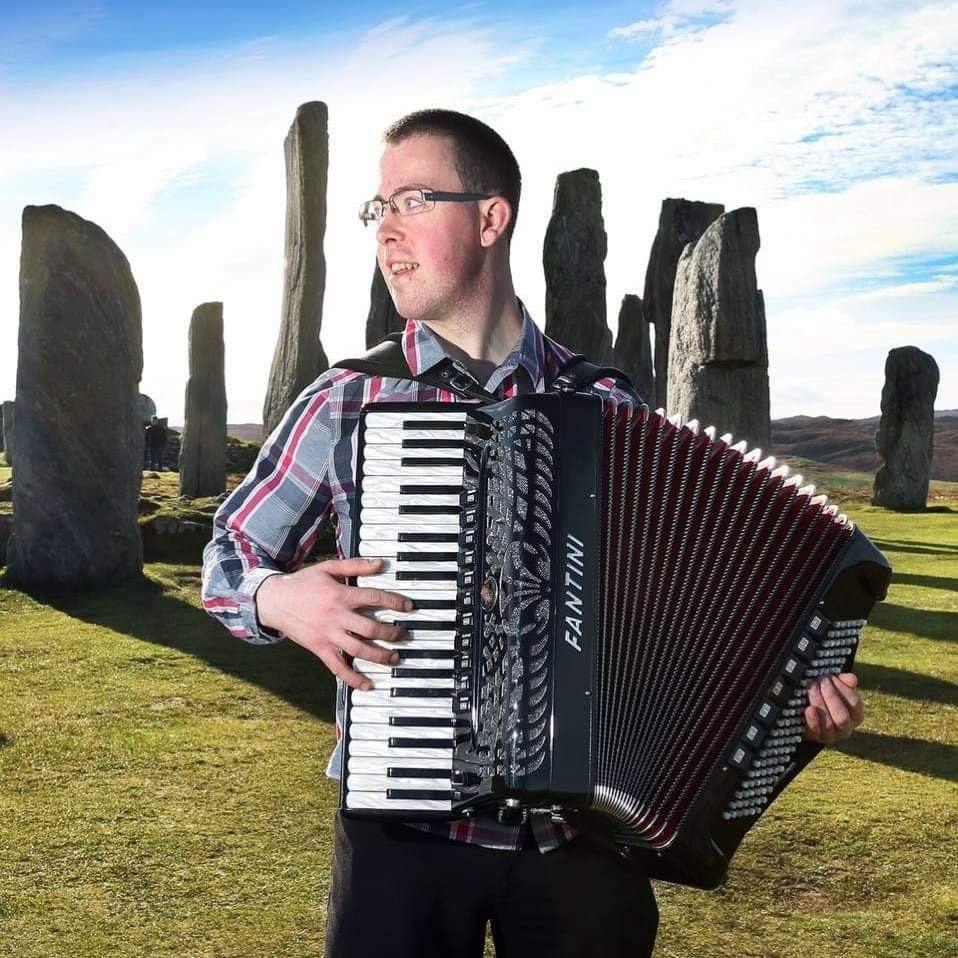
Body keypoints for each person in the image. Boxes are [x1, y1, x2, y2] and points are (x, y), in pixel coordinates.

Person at [201, 109, 864, 957]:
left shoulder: (608, 408)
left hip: (585, 845)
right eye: (377, 210)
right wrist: (278, 597)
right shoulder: (348, 400)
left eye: (410, 200)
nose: (384, 231)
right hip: (399, 843)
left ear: (490, 217)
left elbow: (690, 617)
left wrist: (791, 713)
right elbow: (228, 559)